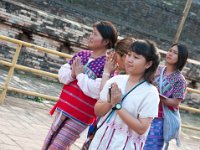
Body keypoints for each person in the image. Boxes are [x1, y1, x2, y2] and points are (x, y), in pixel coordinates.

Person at [42, 21, 118, 150]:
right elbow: (62, 74)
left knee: (57, 146)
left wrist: (79, 75)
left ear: (105, 41)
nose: (91, 36)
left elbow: (97, 90)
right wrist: (72, 73)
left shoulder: (107, 65)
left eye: (95, 34)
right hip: (64, 107)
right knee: (49, 141)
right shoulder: (82, 55)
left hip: (81, 116)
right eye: (91, 33)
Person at [89, 39, 160, 150]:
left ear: (148, 64)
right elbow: (97, 111)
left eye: (136, 57)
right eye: (129, 55)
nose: (129, 60)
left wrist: (117, 105)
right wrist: (110, 102)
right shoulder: (116, 80)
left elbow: (142, 128)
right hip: (100, 142)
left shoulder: (150, 93)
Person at [143, 43, 188, 150]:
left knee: (151, 146)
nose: (170, 54)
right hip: (144, 112)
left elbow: (175, 102)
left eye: (175, 53)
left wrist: (158, 96)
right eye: (170, 50)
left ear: (181, 58)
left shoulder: (180, 80)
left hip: (159, 119)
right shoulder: (157, 69)